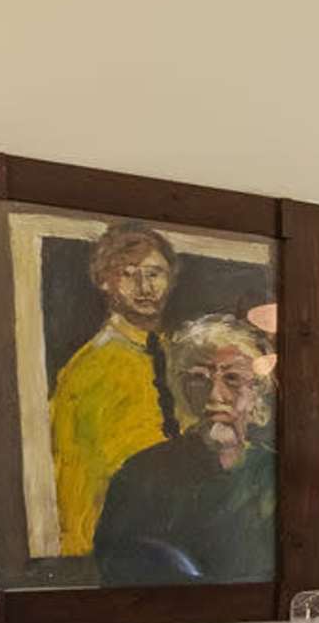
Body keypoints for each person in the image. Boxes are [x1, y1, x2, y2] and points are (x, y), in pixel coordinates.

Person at [93, 314, 275, 583]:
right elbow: (115, 568)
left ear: (256, 392)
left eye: (233, 378)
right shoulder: (141, 476)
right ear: (183, 389)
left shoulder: (273, 473)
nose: (215, 395)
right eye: (199, 378)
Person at [48, 222, 178, 555]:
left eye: (154, 274)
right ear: (105, 281)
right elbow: (75, 473)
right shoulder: (90, 368)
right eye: (128, 274)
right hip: (115, 541)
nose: (145, 287)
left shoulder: (180, 357)